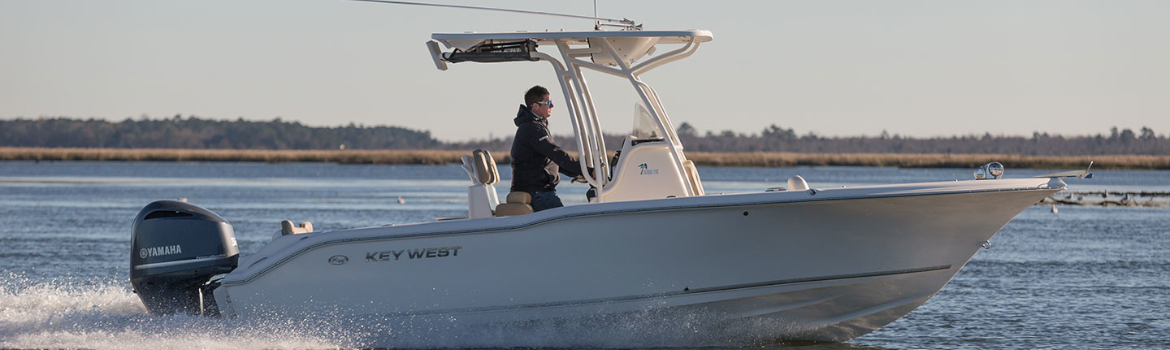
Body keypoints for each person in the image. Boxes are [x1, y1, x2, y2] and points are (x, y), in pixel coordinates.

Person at [510, 85, 587, 212]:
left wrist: (579, 172)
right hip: (537, 191)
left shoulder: (537, 126)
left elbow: (552, 160)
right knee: (565, 224)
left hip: (539, 189)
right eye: (548, 103)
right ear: (535, 106)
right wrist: (585, 170)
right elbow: (555, 153)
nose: (552, 106)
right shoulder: (532, 128)